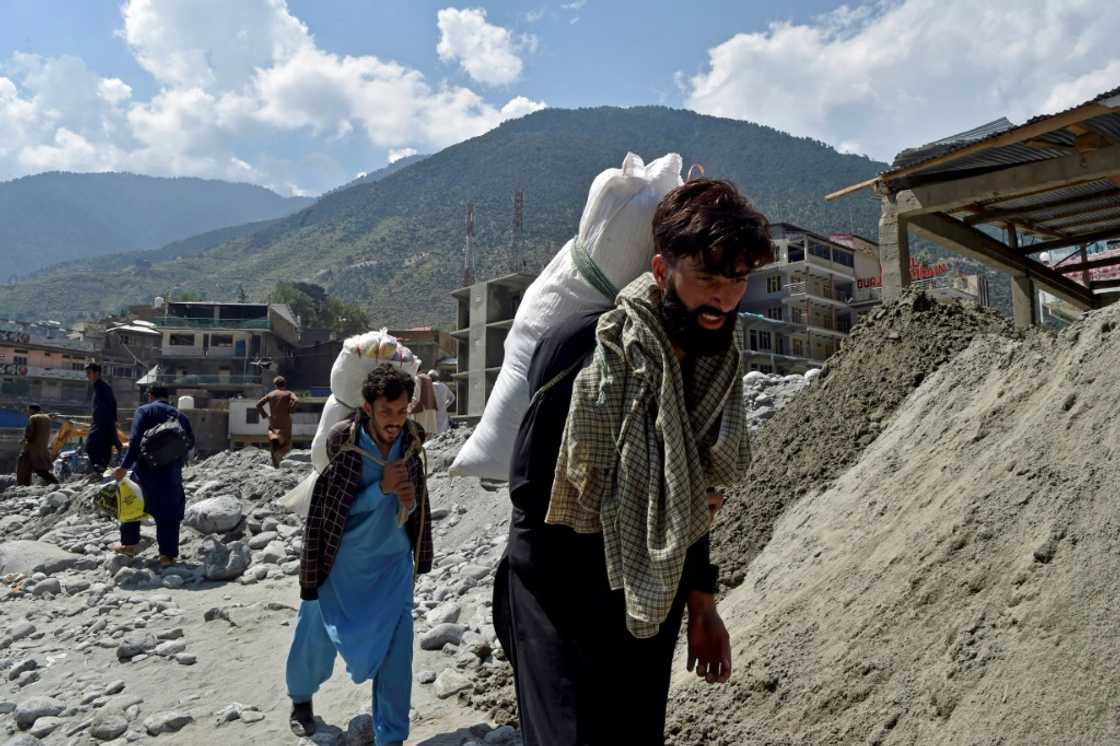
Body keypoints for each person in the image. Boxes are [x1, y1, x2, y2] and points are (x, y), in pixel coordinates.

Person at [492, 179, 772, 745]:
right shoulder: (584, 350)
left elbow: (690, 495)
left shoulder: (714, 367)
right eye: (709, 279)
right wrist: (654, 496)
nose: (724, 298)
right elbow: (529, 490)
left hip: (649, 599)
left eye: (737, 280)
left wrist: (702, 606)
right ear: (663, 271)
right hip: (558, 595)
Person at [286, 364, 433, 744]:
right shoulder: (347, 447)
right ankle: (301, 700)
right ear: (367, 408)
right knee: (314, 637)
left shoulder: (412, 445)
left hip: (392, 568)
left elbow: (413, 509)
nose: (395, 421)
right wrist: (379, 490)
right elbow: (330, 514)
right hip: (341, 565)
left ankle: (391, 737)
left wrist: (408, 502)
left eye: (401, 412)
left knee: (397, 656)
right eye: (386, 412)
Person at [113, 386, 194, 566]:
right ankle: (167, 556)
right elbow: (190, 442)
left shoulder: (144, 410)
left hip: (145, 471)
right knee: (169, 512)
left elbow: (134, 441)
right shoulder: (180, 415)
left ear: (150, 396)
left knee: (132, 504)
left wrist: (124, 467)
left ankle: (129, 545)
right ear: (168, 397)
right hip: (171, 474)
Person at [84, 363, 121, 475]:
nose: (87, 376)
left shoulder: (102, 388)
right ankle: (100, 473)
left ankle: (100, 473)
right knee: (96, 450)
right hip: (102, 426)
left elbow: (109, 410)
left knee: (91, 446)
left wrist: (113, 432)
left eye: (89, 373)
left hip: (103, 426)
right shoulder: (100, 387)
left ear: (97, 373)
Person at [257, 376, 300, 468]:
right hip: (285, 423)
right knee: (287, 441)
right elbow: (296, 400)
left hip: (273, 422)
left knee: (274, 442)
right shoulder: (288, 393)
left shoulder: (271, 394)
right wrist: (291, 410)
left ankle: (275, 465)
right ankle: (283, 460)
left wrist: (265, 415)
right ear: (284, 384)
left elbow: (258, 404)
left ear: (275, 385)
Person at [16, 404, 58, 486]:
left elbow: (29, 433)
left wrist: (24, 441)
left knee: (23, 467)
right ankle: (54, 482)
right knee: (40, 468)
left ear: (32, 410)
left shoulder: (33, 418)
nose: (28, 412)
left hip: (31, 449)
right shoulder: (47, 418)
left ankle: (23, 485)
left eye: (28, 410)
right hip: (42, 449)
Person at [407, 367, 439, 437]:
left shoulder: (416, 378)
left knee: (420, 432)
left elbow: (416, 395)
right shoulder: (428, 378)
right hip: (431, 407)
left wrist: (410, 407)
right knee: (429, 432)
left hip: (421, 408)